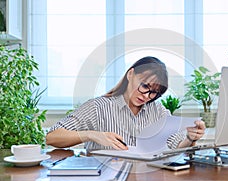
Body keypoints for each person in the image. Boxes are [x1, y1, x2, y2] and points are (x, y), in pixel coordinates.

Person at [46, 56, 205, 151]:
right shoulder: (98, 107)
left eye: (154, 92)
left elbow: (177, 145)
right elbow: (52, 137)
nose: (146, 96)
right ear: (130, 74)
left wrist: (191, 139)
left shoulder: (158, 111)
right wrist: (91, 135)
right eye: (144, 86)